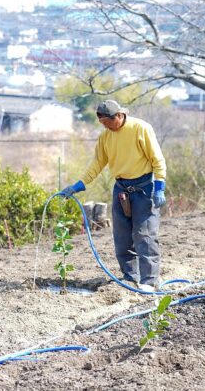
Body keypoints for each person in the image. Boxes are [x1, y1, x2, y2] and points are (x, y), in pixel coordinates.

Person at [62, 99, 167, 292]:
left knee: (145, 235)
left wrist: (160, 186)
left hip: (144, 188)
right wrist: (79, 185)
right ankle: (130, 276)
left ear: (119, 116)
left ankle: (149, 281)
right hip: (121, 189)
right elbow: (97, 164)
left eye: (108, 122)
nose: (106, 127)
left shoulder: (140, 128)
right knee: (122, 236)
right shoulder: (105, 137)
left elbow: (157, 159)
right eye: (102, 123)